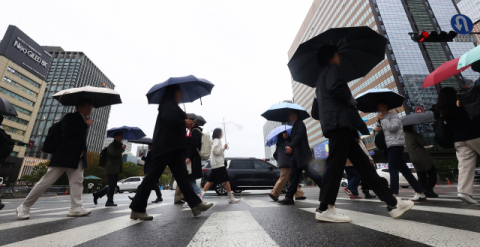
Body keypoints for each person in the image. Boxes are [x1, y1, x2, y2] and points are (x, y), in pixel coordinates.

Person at [314, 45, 413, 223]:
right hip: (340, 124)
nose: (339, 59)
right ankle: (324, 208)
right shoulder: (332, 70)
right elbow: (337, 88)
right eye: (337, 55)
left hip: (341, 125)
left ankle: (392, 203)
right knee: (335, 166)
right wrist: (351, 101)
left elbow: (317, 108)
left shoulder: (320, 78)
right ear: (330, 58)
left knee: (364, 167)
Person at [130, 85, 213, 220]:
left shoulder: (172, 106)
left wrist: (184, 120)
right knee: (152, 177)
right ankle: (137, 209)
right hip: (165, 147)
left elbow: (174, 121)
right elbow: (170, 120)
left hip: (173, 148)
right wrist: (183, 122)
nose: (181, 93)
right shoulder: (168, 104)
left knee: (182, 177)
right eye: (180, 91)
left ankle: (196, 204)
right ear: (174, 92)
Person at [16, 99, 93, 220]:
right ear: (80, 107)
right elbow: (67, 131)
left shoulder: (83, 120)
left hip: (77, 158)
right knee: (46, 181)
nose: (91, 109)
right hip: (64, 156)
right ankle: (24, 206)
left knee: (77, 182)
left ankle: (76, 207)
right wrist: (85, 125)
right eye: (88, 106)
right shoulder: (70, 117)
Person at [374, 100, 426, 201]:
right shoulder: (380, 118)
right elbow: (384, 130)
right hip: (389, 146)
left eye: (380, 105)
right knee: (405, 171)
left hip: (396, 145)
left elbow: (393, 128)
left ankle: (392, 193)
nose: (379, 108)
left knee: (392, 167)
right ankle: (420, 192)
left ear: (385, 106)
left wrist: (383, 119)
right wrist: (377, 128)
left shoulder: (393, 116)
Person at [436, 87, 480, 204]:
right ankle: (464, 192)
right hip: (474, 135)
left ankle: (464, 192)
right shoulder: (461, 104)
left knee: (465, 166)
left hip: (458, 140)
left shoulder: (443, 110)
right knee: (466, 165)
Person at [277, 111, 322, 205]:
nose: (288, 116)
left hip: (303, 155)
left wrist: (291, 146)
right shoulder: (294, 126)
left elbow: (299, 136)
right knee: (294, 177)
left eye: (289, 114)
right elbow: (295, 138)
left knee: (313, 174)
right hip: (295, 156)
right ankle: (289, 197)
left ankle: (326, 189)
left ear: (294, 115)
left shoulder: (300, 123)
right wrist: (287, 138)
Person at [200, 128, 240, 203]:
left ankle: (200, 197)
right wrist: (223, 148)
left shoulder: (214, 141)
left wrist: (223, 148)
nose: (222, 134)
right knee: (226, 181)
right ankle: (230, 197)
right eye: (221, 133)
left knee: (210, 181)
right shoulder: (217, 141)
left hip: (215, 164)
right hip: (219, 165)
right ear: (219, 133)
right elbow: (215, 151)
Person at [269, 131, 305, 201]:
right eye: (284, 133)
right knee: (283, 179)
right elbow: (289, 151)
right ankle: (273, 193)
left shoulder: (279, 143)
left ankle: (299, 194)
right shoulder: (286, 142)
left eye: (286, 133)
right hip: (287, 163)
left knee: (292, 180)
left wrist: (280, 161)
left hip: (284, 163)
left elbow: (275, 155)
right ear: (281, 134)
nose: (286, 135)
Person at [403, 125, 438, 198]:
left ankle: (421, 191)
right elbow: (423, 143)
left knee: (421, 176)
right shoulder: (414, 135)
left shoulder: (404, 137)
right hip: (422, 156)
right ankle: (427, 189)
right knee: (432, 173)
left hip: (413, 158)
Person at [93, 132, 125, 207]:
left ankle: (97, 194)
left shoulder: (118, 146)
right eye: (120, 136)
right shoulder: (112, 145)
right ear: (115, 137)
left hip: (115, 168)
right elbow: (113, 153)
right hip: (111, 168)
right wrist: (122, 149)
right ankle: (109, 201)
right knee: (112, 185)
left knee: (112, 185)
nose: (121, 138)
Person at [343, 134, 374, 199]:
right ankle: (348, 188)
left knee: (350, 176)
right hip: (352, 161)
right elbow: (364, 150)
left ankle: (354, 194)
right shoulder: (357, 141)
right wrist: (370, 159)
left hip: (345, 161)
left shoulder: (345, 139)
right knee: (357, 175)